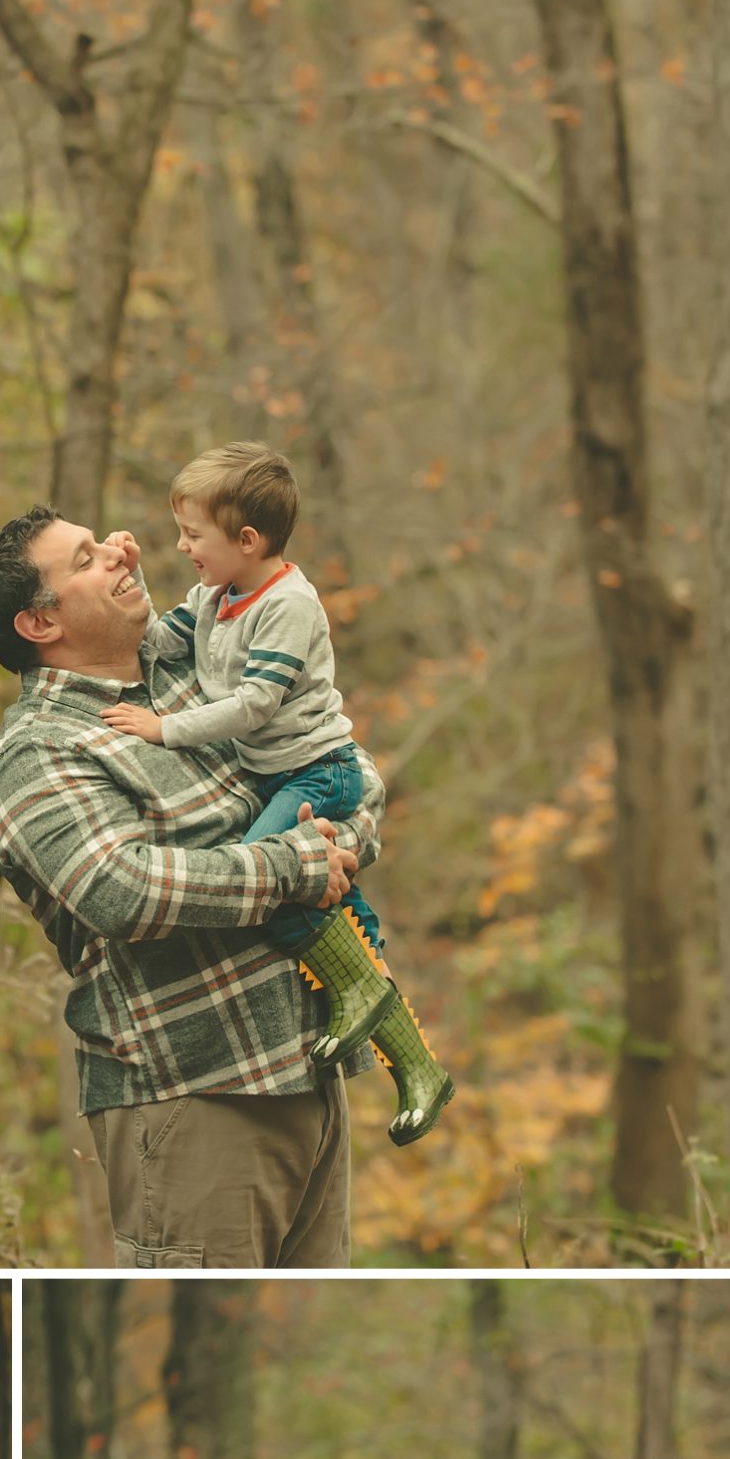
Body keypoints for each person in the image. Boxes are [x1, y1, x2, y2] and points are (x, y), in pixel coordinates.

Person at [0, 504, 376, 1267]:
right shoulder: (36, 754)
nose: (120, 557)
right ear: (39, 624)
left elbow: (342, 763)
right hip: (193, 1093)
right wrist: (293, 866)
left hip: (307, 1072)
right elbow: (123, 890)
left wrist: (343, 839)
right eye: (84, 560)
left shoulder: (198, 674)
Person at [100, 442, 453, 1142]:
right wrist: (127, 579)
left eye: (193, 536)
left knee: (264, 874)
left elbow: (256, 704)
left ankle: (360, 993)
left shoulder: (288, 605)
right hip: (276, 774)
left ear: (248, 540)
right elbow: (157, 645)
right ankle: (421, 1071)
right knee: (337, 915)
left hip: (318, 770)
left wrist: (165, 729)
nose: (182, 547)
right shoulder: (213, 598)